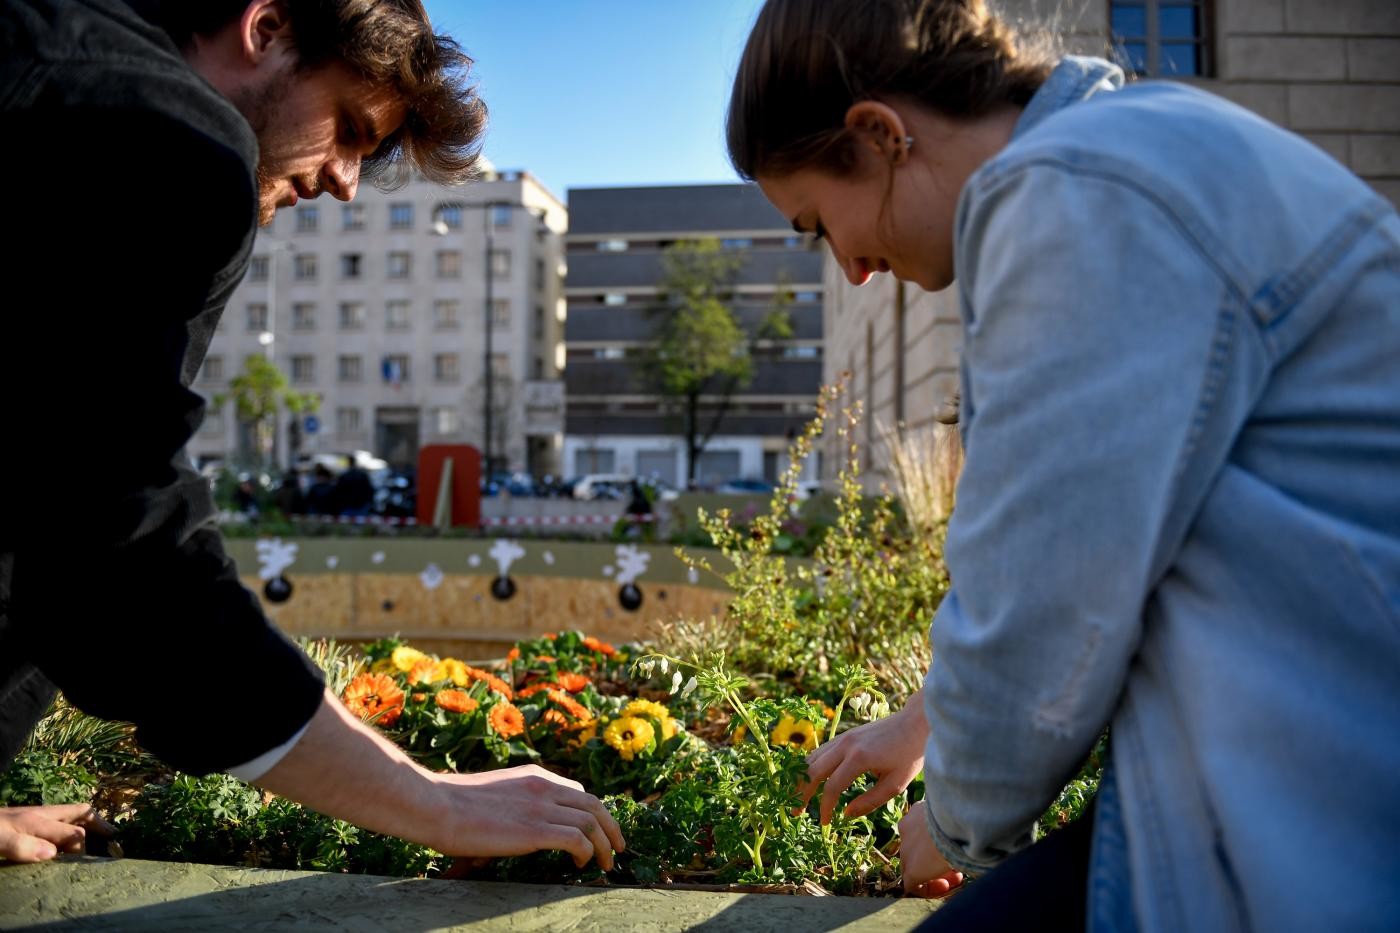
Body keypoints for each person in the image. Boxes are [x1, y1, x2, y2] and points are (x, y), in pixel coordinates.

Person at [727, 0, 1399, 929]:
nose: (847, 269)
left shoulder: (1074, 197)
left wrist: (954, 822)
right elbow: (1099, 538)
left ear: (879, 135)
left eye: (815, 223)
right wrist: (925, 719)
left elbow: (1049, 608)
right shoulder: (1115, 155)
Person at [0, 0, 623, 869]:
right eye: (350, 129)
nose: (344, 182)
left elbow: (32, 489)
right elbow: (118, 558)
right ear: (266, 27)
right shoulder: (170, 136)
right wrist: (434, 799)